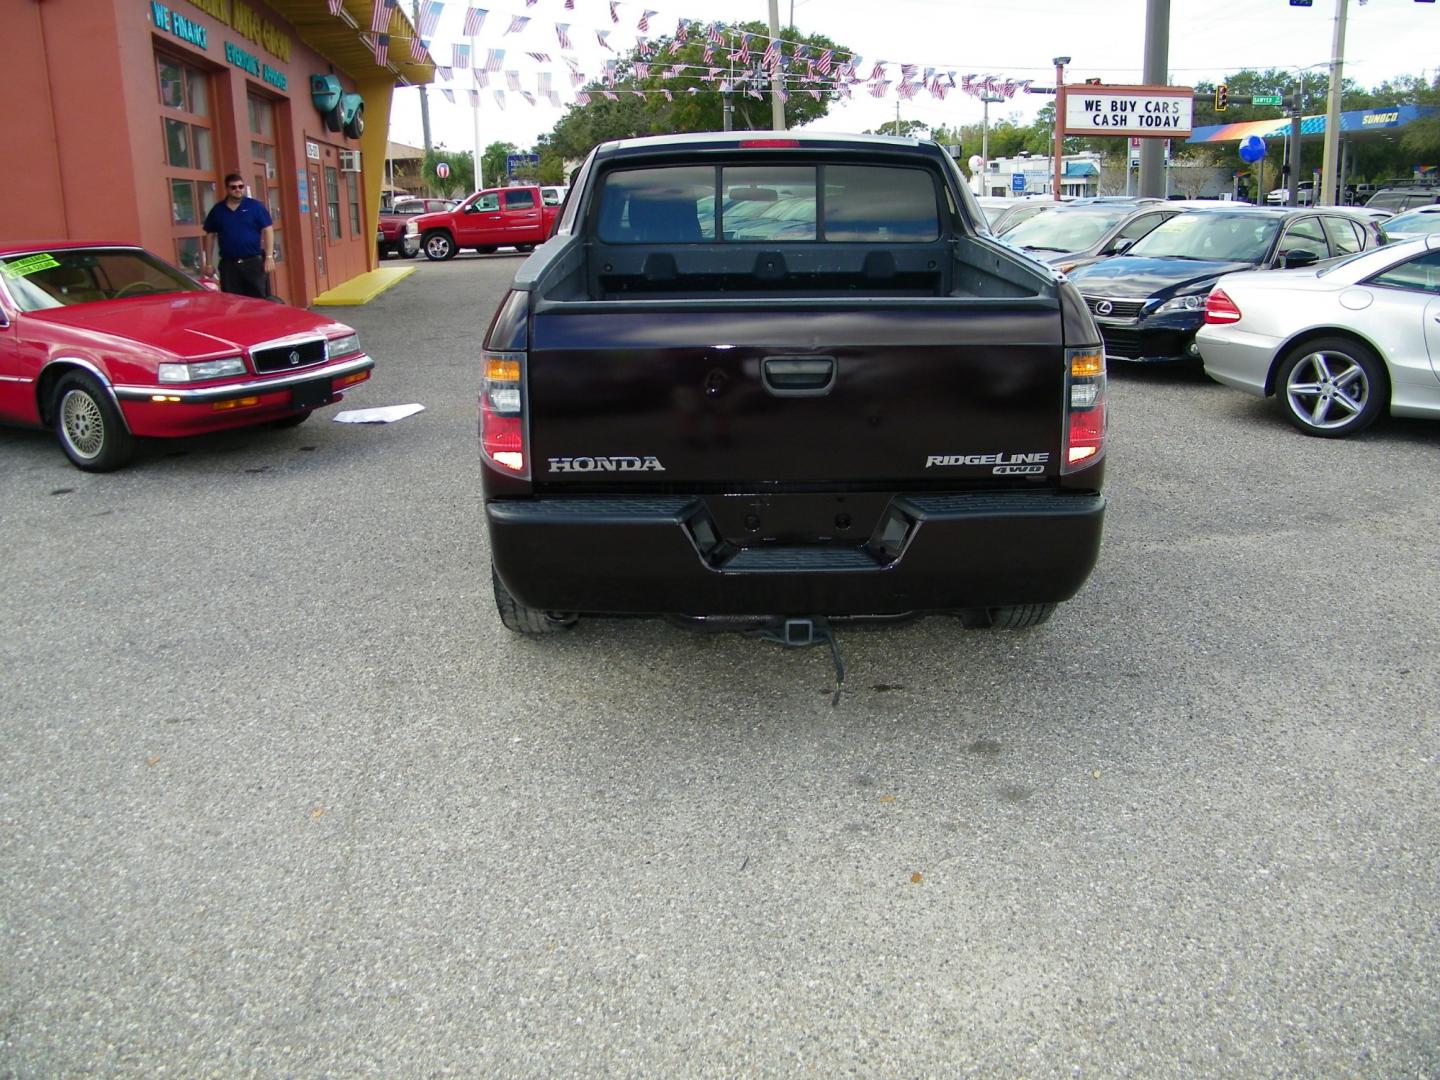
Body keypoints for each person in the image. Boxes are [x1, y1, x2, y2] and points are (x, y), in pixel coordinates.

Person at [201, 174, 275, 297]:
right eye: (233, 187)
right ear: (227, 189)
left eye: (241, 186)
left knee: (258, 300)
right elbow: (210, 235)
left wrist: (269, 257)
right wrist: (208, 263)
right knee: (232, 301)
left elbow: (268, 229)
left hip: (252, 263)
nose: (238, 190)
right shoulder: (218, 210)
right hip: (229, 265)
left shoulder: (255, 206)